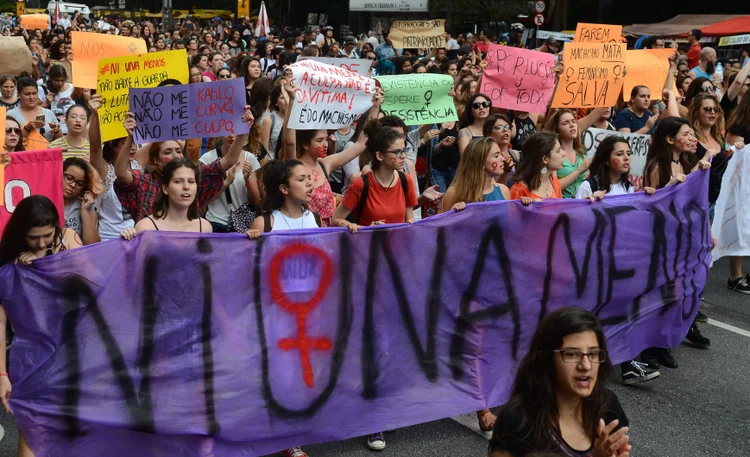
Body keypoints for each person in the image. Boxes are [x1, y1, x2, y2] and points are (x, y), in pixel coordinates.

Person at [488, 307, 631, 457]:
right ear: (547, 359)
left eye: (593, 353)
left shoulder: (608, 405)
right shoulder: (518, 421)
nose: (586, 366)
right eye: (572, 354)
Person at [642, 116, 711, 367]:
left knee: (674, 294)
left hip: (679, 241)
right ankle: (646, 348)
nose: (691, 138)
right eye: (686, 133)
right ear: (670, 139)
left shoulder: (685, 162)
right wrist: (669, 185)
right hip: (659, 241)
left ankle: (661, 343)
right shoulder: (657, 167)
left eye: (693, 133)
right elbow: (651, 205)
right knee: (654, 296)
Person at [115, 109, 252, 223]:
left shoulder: (194, 177)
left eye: (178, 151)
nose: (175, 155)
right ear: (156, 159)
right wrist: (131, 137)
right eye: (168, 152)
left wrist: (242, 130)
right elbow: (121, 173)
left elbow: (229, 160)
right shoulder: (144, 182)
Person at [279, 82, 378, 226]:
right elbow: (289, 142)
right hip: (305, 234)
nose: (326, 144)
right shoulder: (293, 165)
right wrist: (292, 102)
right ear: (305, 144)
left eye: (326, 139)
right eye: (319, 140)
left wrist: (374, 107)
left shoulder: (326, 164)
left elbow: (361, 144)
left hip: (330, 235)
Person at [332, 119, 418, 236]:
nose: (403, 156)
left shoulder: (405, 180)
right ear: (380, 156)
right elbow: (335, 220)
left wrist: (411, 223)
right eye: (397, 152)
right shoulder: (361, 185)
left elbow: (409, 219)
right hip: (368, 250)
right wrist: (359, 227)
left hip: (398, 250)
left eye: (403, 150)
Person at [120, 158, 211, 238]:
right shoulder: (146, 227)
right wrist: (128, 242)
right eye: (178, 181)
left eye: (191, 181)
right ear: (165, 188)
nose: (186, 187)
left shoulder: (205, 228)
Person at [246, 160, 322, 240]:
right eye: (301, 179)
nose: (309, 183)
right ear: (284, 188)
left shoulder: (315, 218)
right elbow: (250, 251)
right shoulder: (263, 224)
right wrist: (248, 240)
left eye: (309, 178)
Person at [200, 134, 261, 233]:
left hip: (243, 224)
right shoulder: (208, 158)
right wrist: (226, 182)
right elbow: (204, 201)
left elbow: (256, 200)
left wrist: (247, 180)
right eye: (227, 130)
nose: (231, 136)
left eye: (236, 131)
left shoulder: (249, 158)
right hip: (215, 222)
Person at [439, 137, 510, 214]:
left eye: (500, 154)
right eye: (496, 156)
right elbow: (438, 224)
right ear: (481, 162)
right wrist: (451, 215)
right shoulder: (454, 193)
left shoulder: (504, 191)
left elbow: (510, 223)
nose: (502, 159)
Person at [509, 132, 564, 203]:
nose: (563, 154)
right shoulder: (518, 190)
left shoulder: (554, 182)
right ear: (545, 159)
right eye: (558, 151)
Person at [62, 157, 102, 245]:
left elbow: (91, 244)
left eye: (79, 184)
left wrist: (85, 211)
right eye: (69, 178)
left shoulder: (87, 205)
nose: (72, 185)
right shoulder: (46, 201)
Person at [7, 77, 60, 143]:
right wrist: (26, 129)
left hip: (47, 152)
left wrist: (57, 131)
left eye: (34, 93)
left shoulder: (49, 113)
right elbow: (7, 140)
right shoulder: (11, 115)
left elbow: (59, 140)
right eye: (27, 94)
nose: (31, 97)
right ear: (18, 94)